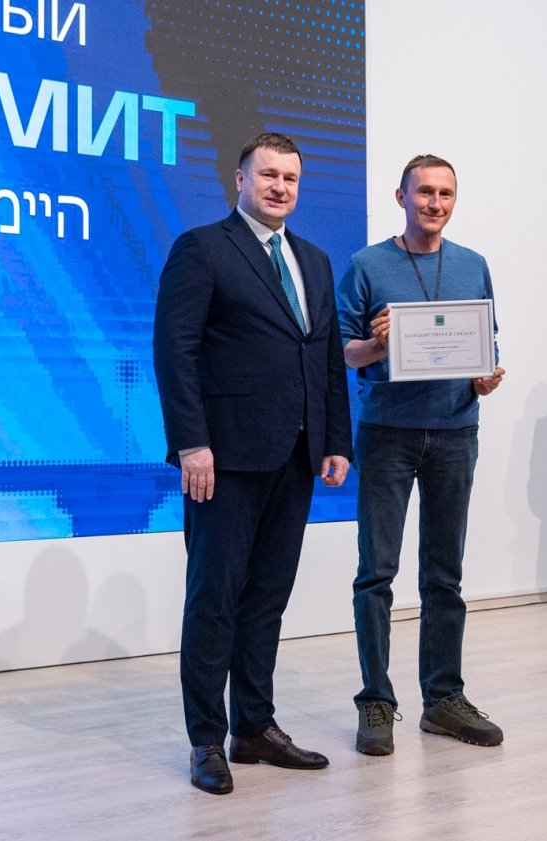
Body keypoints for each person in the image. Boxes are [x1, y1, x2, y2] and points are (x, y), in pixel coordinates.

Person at [153, 132, 353, 795]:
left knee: (267, 598)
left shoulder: (314, 260)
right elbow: (175, 351)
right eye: (267, 175)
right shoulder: (203, 248)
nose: (279, 187)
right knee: (215, 600)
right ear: (239, 180)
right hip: (225, 457)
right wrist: (191, 442)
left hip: (295, 455)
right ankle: (207, 739)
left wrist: (335, 439)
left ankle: (255, 728)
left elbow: (325, 357)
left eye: (290, 178)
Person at [336, 154, 506, 756]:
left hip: (456, 432)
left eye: (445, 194)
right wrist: (378, 344)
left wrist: (485, 377)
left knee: (444, 575)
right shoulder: (366, 265)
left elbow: (485, 344)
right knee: (376, 573)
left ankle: (443, 699)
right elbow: (342, 353)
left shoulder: (473, 265)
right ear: (401, 197)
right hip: (387, 433)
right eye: (425, 192)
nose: (435, 203)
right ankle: (377, 701)